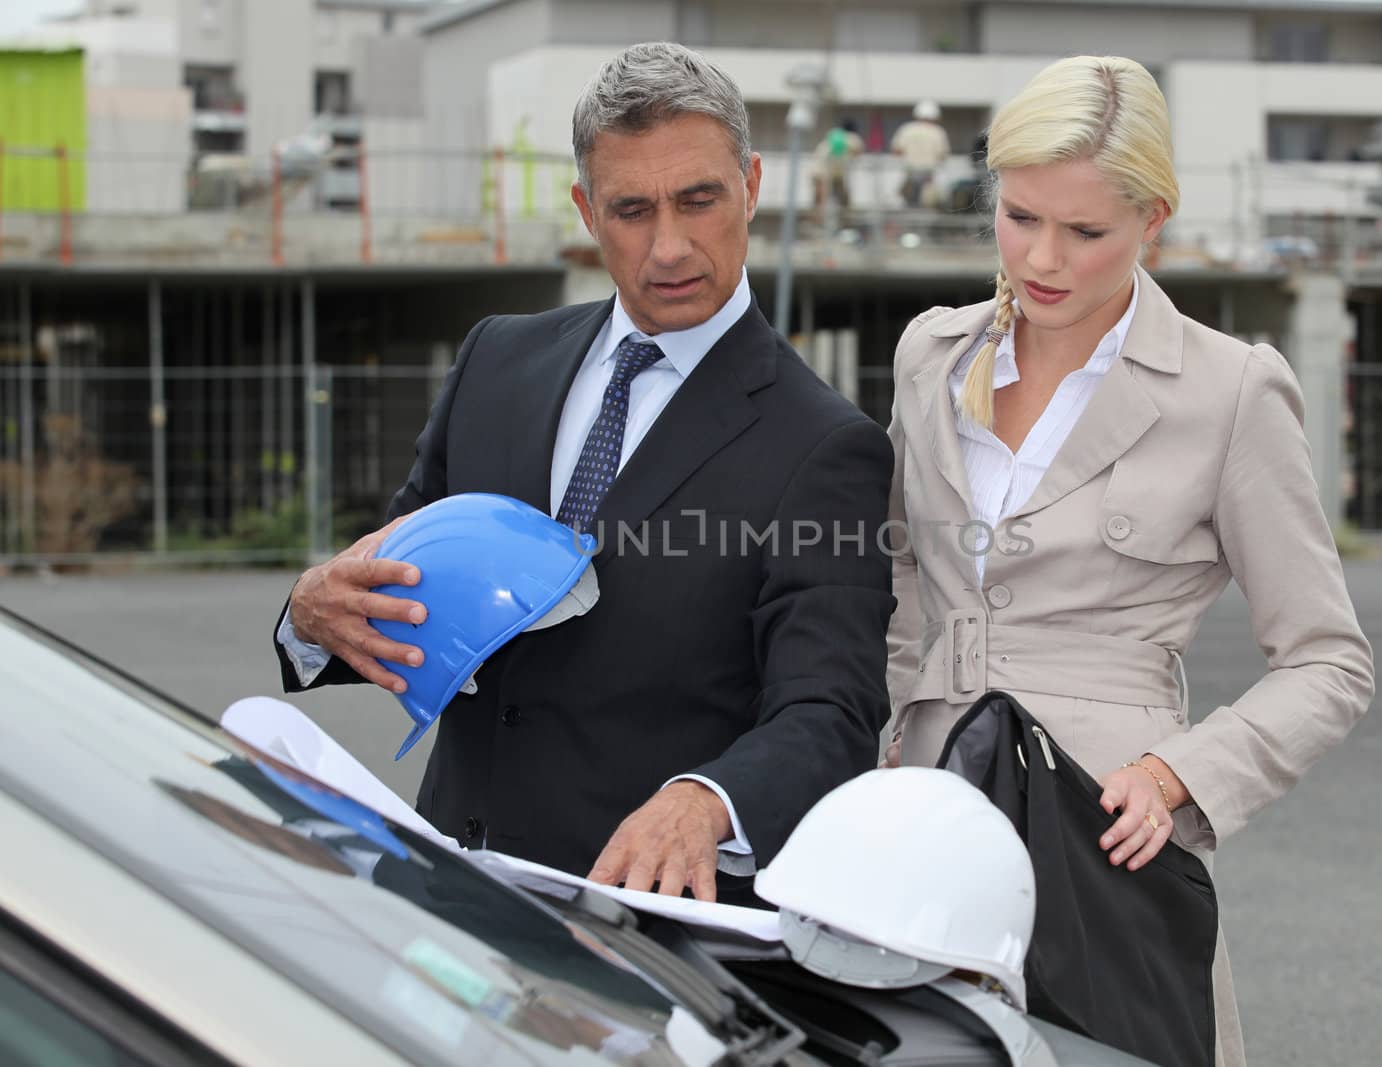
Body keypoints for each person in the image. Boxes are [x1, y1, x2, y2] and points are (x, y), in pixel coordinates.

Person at [273, 42, 895, 906]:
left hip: (650, 927)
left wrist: (709, 800)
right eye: (632, 209)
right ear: (585, 209)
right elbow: (399, 586)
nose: (669, 245)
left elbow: (830, 713)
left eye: (699, 200)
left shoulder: (827, 446)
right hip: (447, 889)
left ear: (752, 186)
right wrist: (313, 611)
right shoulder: (496, 357)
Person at [882, 56, 1374, 1065]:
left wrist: (1177, 774)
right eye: (1018, 217)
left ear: (1154, 219)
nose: (1041, 257)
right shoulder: (930, 354)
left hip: (1106, 826)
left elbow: (1330, 661)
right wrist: (879, 747)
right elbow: (895, 589)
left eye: (1085, 231)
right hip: (922, 810)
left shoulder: (1231, 390)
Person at [891, 100, 950, 209]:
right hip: (929, 175)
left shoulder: (907, 129)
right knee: (928, 206)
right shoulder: (938, 132)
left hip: (910, 173)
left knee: (909, 205)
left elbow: (897, 150)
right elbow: (942, 155)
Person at [810, 117, 863, 216]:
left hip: (819, 169)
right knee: (842, 200)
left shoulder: (834, 135)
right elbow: (858, 151)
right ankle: (845, 219)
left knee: (819, 200)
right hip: (831, 172)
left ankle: (817, 220)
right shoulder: (851, 137)